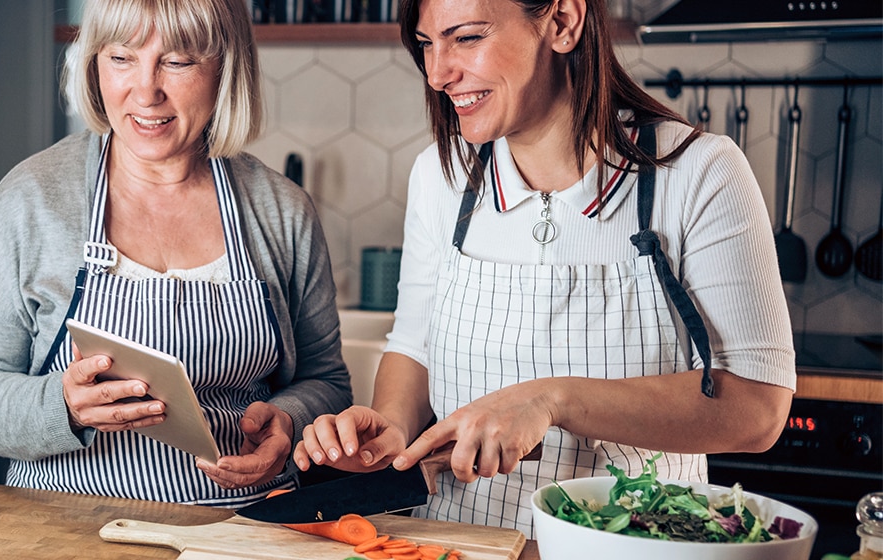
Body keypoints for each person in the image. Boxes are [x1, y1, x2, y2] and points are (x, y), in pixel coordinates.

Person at [293, 0, 795, 535]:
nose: (438, 73)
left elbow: (757, 409)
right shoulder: (442, 176)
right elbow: (415, 344)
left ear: (562, 23)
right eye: (425, 43)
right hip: (459, 542)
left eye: (465, 38)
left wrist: (551, 400)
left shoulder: (699, 174)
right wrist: (393, 430)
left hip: (634, 544)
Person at [0, 0, 351, 507]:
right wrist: (61, 406)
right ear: (94, 64)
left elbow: (326, 381)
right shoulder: (33, 198)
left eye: (177, 62)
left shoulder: (280, 210)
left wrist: (288, 422)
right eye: (121, 58)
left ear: (226, 69)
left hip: (243, 530)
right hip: (62, 530)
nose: (146, 90)